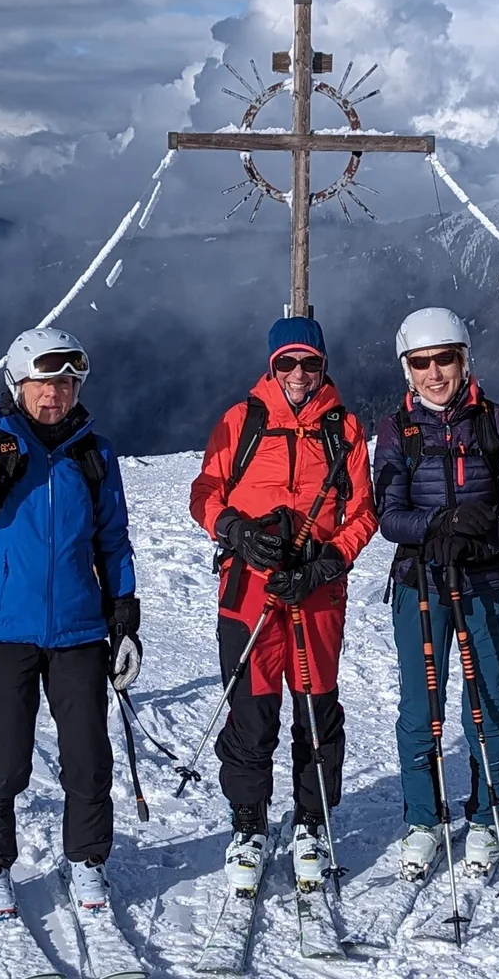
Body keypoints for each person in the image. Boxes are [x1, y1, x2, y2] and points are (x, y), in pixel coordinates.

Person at [0, 328, 140, 918]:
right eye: (44, 382)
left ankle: (87, 860)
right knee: (5, 758)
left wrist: (125, 616)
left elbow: (113, 540)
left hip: (81, 630)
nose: (56, 394)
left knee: (88, 757)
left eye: (67, 382)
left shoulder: (95, 453)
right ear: (19, 383)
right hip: (4, 629)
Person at [188, 315, 376, 894]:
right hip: (249, 590)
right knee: (251, 710)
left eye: (310, 363)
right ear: (272, 367)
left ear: (324, 365)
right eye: (287, 364)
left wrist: (329, 561)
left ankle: (312, 821)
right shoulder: (241, 422)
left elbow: (363, 514)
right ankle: (249, 823)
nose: (299, 374)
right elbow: (204, 492)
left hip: (316, 594)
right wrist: (236, 533)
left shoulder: (343, 431)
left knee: (316, 710)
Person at [371, 307, 499, 880]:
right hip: (421, 582)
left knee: (486, 701)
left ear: (465, 359)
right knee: (421, 706)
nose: (435, 373)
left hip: (485, 582)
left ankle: (489, 815)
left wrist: (489, 530)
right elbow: (388, 515)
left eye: (446, 359)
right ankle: (424, 819)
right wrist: (439, 527)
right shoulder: (397, 430)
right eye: (422, 363)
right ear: (407, 369)